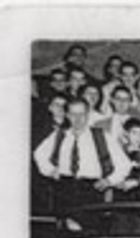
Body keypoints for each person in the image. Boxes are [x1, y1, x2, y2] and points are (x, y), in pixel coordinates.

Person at [32, 97, 132, 230]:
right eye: (73, 114)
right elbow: (38, 154)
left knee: (90, 231)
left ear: (88, 114)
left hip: (91, 190)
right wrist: (50, 170)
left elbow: (124, 164)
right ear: (67, 115)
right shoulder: (60, 135)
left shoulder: (100, 136)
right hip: (64, 189)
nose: (77, 119)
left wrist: (109, 181)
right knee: (65, 233)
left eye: (81, 114)